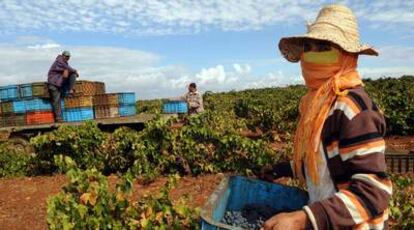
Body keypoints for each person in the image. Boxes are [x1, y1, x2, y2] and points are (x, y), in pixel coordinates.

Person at [259, 5, 392, 230]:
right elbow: (323, 161)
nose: (312, 55)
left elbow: (373, 191)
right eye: (308, 47)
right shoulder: (319, 104)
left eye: (324, 48)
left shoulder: (352, 108)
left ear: (347, 56)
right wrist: (282, 169)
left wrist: (304, 218)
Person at [47, 51, 79, 122]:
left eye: (68, 57)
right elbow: (68, 68)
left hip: (59, 83)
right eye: (66, 56)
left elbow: (68, 69)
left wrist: (72, 72)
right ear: (62, 56)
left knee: (72, 74)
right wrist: (75, 71)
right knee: (56, 100)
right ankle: (58, 118)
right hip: (53, 84)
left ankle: (71, 89)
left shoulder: (64, 63)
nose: (67, 58)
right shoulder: (59, 61)